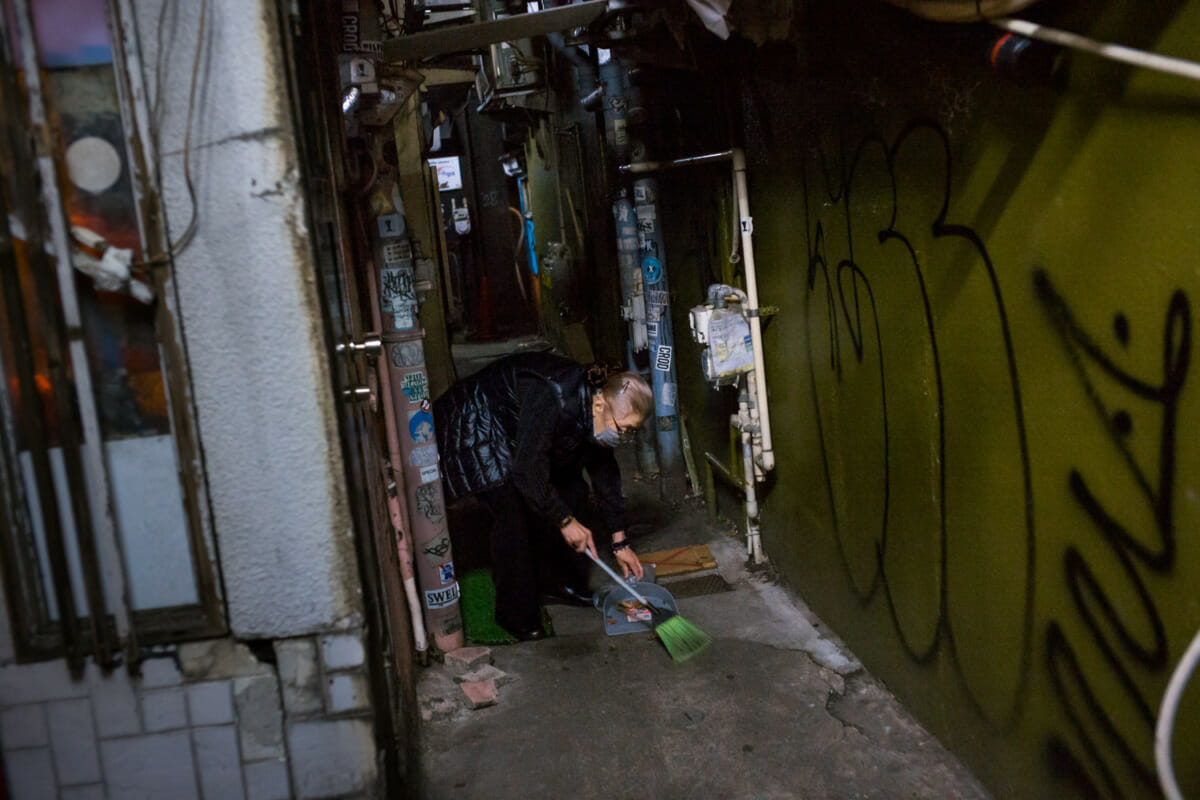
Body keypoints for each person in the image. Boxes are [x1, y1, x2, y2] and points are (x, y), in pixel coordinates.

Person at [434, 352, 653, 641]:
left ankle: (558, 582)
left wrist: (619, 541)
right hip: (478, 421)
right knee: (512, 513)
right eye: (624, 430)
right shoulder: (553, 397)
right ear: (599, 404)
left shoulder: (594, 409)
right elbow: (527, 468)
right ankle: (515, 616)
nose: (623, 438)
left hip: (521, 431)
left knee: (574, 493)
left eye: (630, 433)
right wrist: (564, 521)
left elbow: (605, 473)